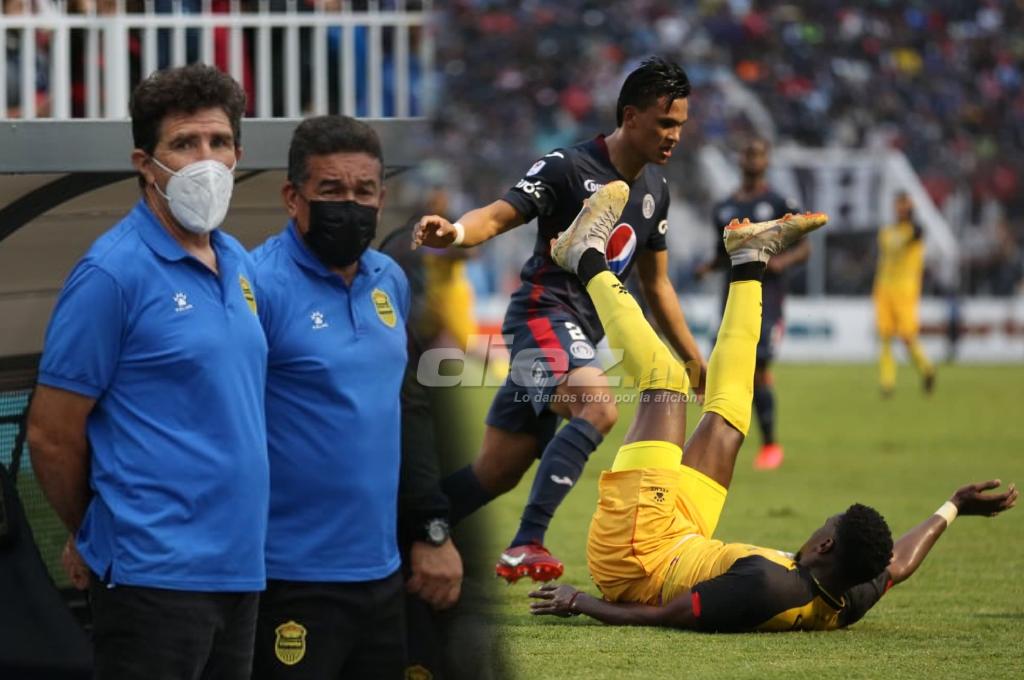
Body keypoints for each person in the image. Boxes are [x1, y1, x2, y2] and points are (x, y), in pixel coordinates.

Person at [526, 184, 1018, 630]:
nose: (821, 524)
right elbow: (900, 564)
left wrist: (583, 602)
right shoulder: (846, 595)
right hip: (684, 534)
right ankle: (750, 260)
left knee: (666, 382)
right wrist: (952, 507)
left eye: (829, 524)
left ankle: (585, 255)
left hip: (637, 556)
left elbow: (669, 614)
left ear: (826, 545)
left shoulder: (769, 585)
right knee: (731, 419)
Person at [414, 57, 707, 583]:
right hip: (540, 316)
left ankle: (404, 531)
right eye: (666, 123)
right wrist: (455, 233)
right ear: (630, 116)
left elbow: (657, 286)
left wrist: (691, 355)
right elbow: (499, 214)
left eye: (681, 124)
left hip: (575, 336)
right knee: (597, 407)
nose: (674, 136)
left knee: (495, 472)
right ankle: (527, 542)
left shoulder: (655, 192)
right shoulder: (567, 167)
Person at [27, 63, 268, 677]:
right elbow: (50, 433)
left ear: (239, 153)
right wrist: (95, 532)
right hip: (153, 576)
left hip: (239, 571)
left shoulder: (238, 262)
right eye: (184, 144)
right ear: (145, 161)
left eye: (218, 142)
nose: (204, 160)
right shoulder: (111, 274)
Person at [249, 115, 461, 679]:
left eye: (363, 191)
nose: (351, 204)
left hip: (381, 574)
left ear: (382, 197)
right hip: (289, 577)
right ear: (293, 197)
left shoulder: (388, 278)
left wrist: (427, 529)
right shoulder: (256, 285)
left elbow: (400, 408)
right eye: (331, 190)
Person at [696, 137, 807, 470]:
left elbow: (805, 248)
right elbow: (722, 254)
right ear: (739, 158)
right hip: (731, 301)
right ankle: (721, 438)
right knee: (721, 369)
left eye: (758, 153)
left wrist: (780, 263)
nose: (752, 159)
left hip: (768, 301)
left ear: (767, 160)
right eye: (747, 152)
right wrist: (707, 267)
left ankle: (770, 444)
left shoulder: (778, 203)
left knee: (757, 369)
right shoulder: (724, 208)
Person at [873, 192, 935, 396]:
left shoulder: (915, 232)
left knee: (907, 337)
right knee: (885, 336)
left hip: (906, 290)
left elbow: (918, 232)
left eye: (904, 206)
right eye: (898, 205)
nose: (900, 210)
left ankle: (927, 369)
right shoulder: (887, 232)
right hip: (884, 288)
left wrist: (912, 212)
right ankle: (887, 383)